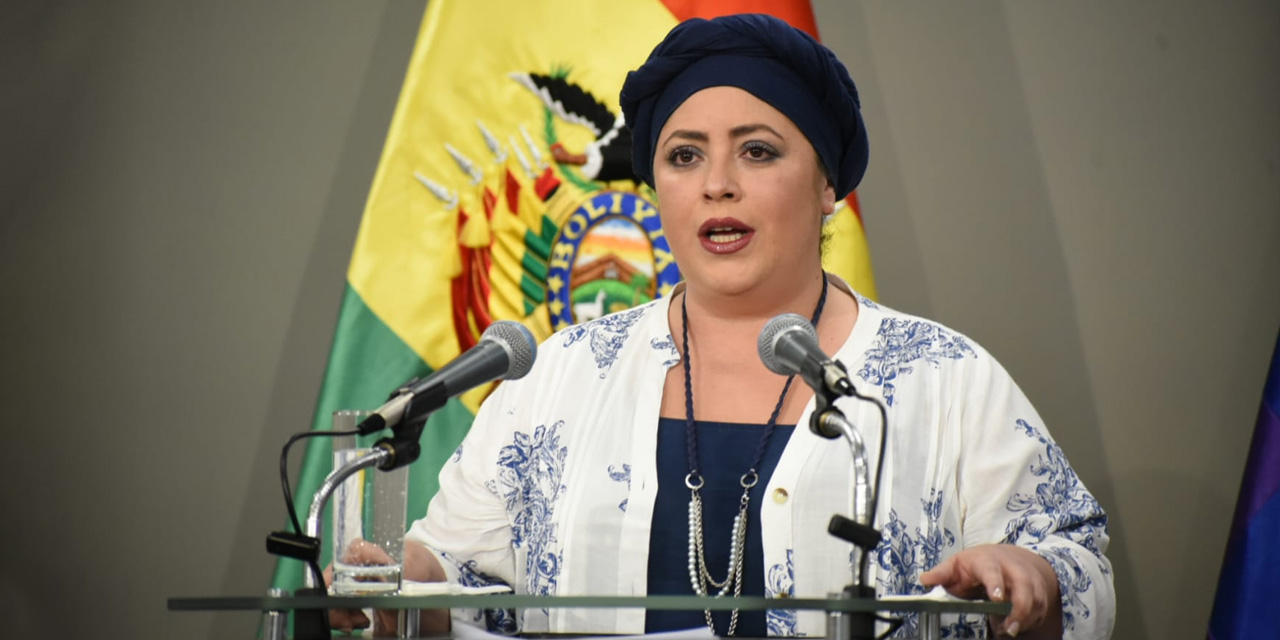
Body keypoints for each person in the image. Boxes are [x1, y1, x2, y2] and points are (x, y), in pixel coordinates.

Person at [330, 13, 1114, 639]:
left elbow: (1074, 563)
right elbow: (460, 578)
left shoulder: (944, 377)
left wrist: (1034, 577)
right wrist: (399, 584)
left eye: (758, 151)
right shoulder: (559, 376)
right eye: (682, 156)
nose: (716, 186)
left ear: (828, 186)